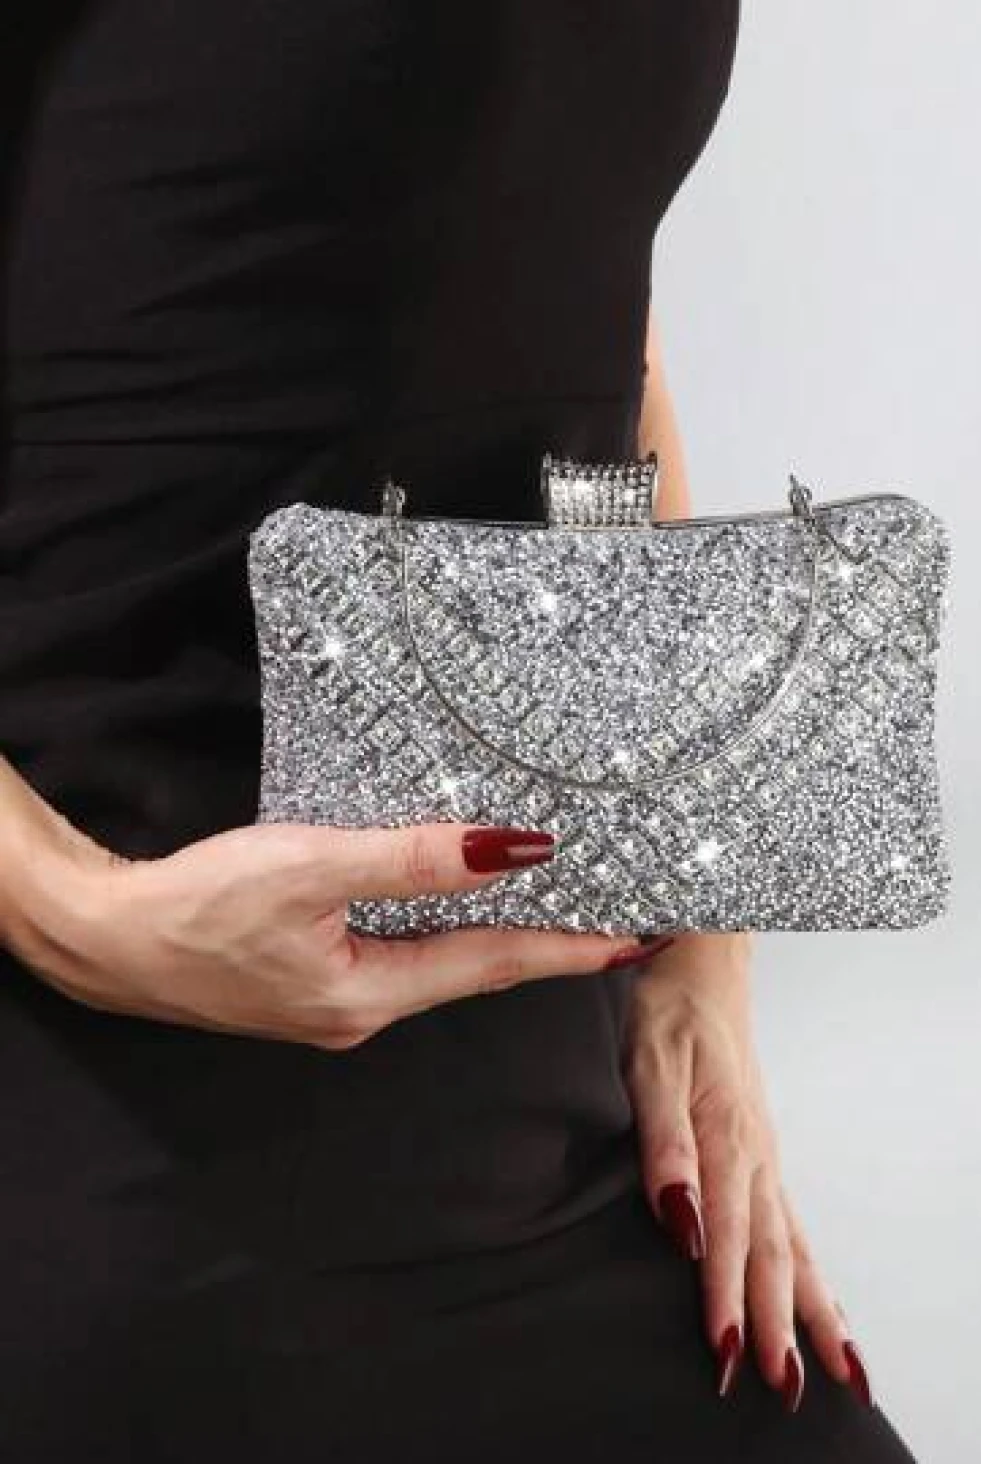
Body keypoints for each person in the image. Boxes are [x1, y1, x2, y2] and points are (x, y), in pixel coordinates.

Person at [0, 4, 919, 1459]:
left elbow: (594, 326)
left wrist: (701, 947)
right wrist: (77, 916)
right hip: (101, 1133)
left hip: (547, 1127)